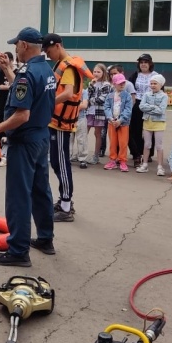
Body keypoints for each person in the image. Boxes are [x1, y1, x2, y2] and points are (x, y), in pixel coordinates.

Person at [0, 27, 56, 266]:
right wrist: (7, 69)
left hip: (25, 141)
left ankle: (18, 251)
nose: (15, 48)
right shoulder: (45, 69)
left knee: (19, 196)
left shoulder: (27, 73)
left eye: (16, 45)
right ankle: (46, 239)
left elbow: (22, 114)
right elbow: (28, 93)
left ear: (24, 45)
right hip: (41, 137)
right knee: (40, 190)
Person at [41, 33, 92, 222]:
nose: (48, 55)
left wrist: (48, 102)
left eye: (48, 51)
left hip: (63, 123)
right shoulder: (61, 65)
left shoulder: (69, 67)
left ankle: (66, 206)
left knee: (61, 163)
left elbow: (69, 93)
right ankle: (64, 201)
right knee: (56, 161)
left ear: (57, 46)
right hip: (56, 121)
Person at [128, 54, 160, 166]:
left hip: (150, 104)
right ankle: (136, 152)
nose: (143, 64)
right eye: (141, 62)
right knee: (136, 129)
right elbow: (130, 88)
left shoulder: (156, 75)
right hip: (137, 103)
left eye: (145, 62)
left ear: (150, 63)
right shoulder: (136, 75)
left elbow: (161, 91)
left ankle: (149, 154)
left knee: (149, 129)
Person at [137, 74, 169, 176]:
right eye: (151, 83)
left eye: (155, 83)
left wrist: (149, 107)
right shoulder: (146, 94)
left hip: (159, 123)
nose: (153, 85)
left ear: (161, 84)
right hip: (147, 121)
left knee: (159, 145)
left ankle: (160, 167)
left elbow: (161, 110)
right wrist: (154, 107)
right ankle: (145, 164)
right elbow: (141, 107)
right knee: (147, 144)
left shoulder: (164, 96)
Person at [103, 73, 133, 172]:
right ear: (114, 84)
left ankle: (122, 160)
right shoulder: (110, 96)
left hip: (123, 123)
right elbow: (106, 107)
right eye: (119, 83)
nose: (122, 85)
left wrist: (120, 120)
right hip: (112, 123)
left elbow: (128, 109)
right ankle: (112, 159)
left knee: (123, 142)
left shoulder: (127, 96)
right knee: (113, 142)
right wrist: (110, 118)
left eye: (123, 83)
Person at [85, 64, 112, 165]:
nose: (96, 74)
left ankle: (96, 156)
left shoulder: (106, 85)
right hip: (89, 112)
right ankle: (82, 154)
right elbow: (87, 95)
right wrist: (91, 85)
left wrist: (90, 100)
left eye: (98, 72)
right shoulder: (92, 83)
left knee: (97, 134)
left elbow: (101, 99)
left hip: (99, 113)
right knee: (84, 132)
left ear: (103, 73)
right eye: (94, 71)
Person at [71, 90, 89, 170]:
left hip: (80, 118)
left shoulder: (83, 92)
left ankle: (82, 159)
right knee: (68, 139)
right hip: (69, 119)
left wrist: (72, 106)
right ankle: (67, 157)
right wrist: (78, 105)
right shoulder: (67, 89)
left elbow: (84, 105)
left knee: (82, 140)